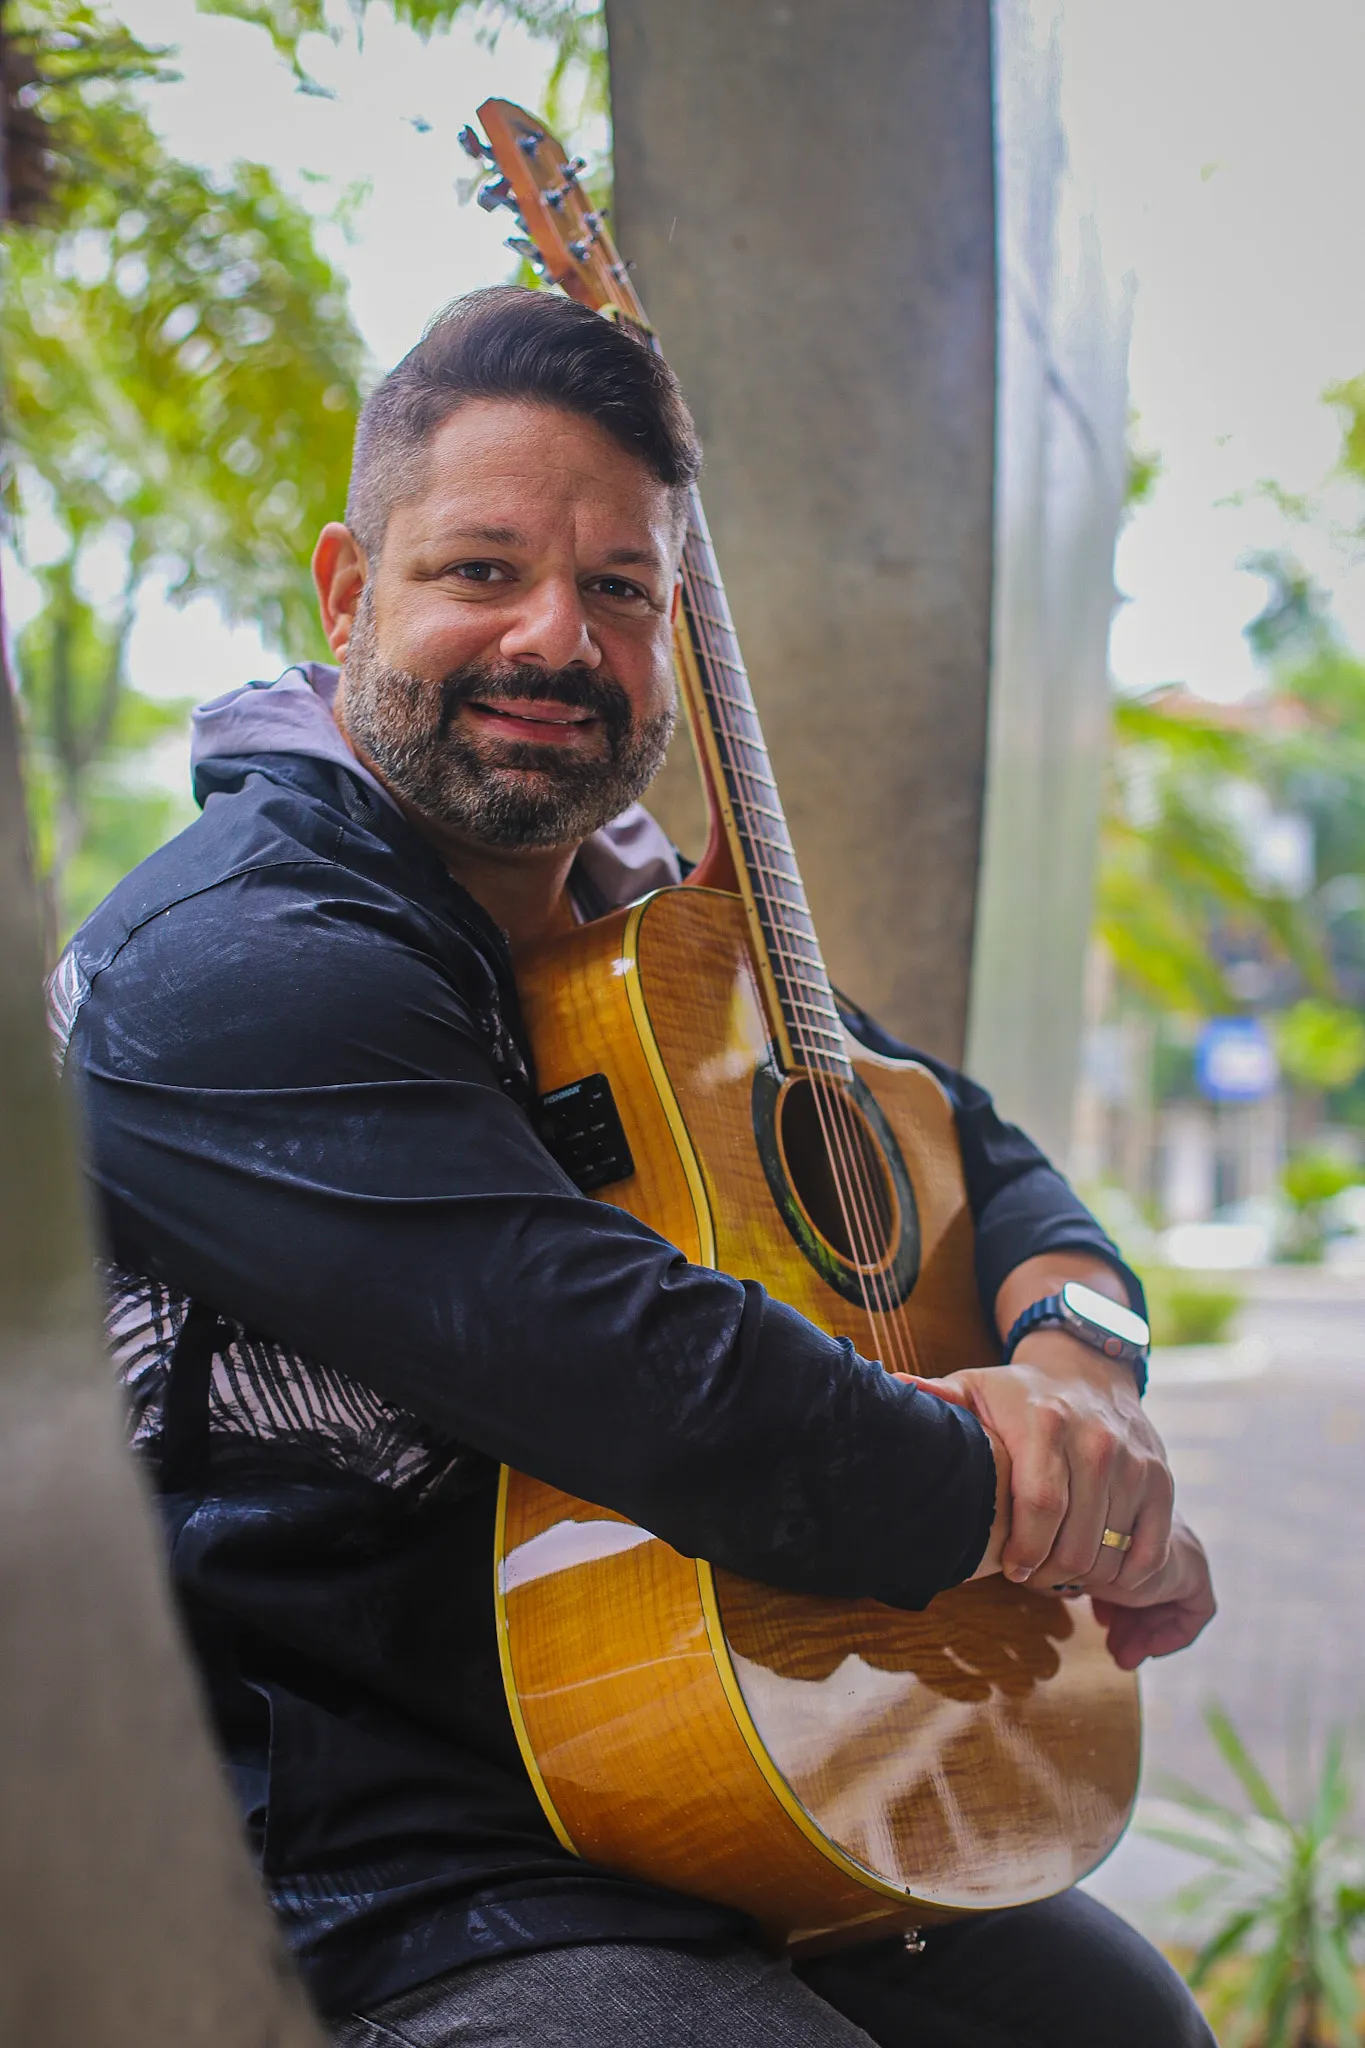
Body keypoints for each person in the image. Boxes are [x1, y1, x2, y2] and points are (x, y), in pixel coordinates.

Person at [55, 286, 1216, 2046]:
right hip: (339, 1858)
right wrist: (1039, 1501)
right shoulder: (237, 962)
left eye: (620, 589)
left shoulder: (661, 933)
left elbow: (969, 1145)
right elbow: (662, 1385)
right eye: (479, 572)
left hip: (693, 1772)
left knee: (1116, 2025)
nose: (555, 640)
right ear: (349, 591)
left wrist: (1085, 1371)